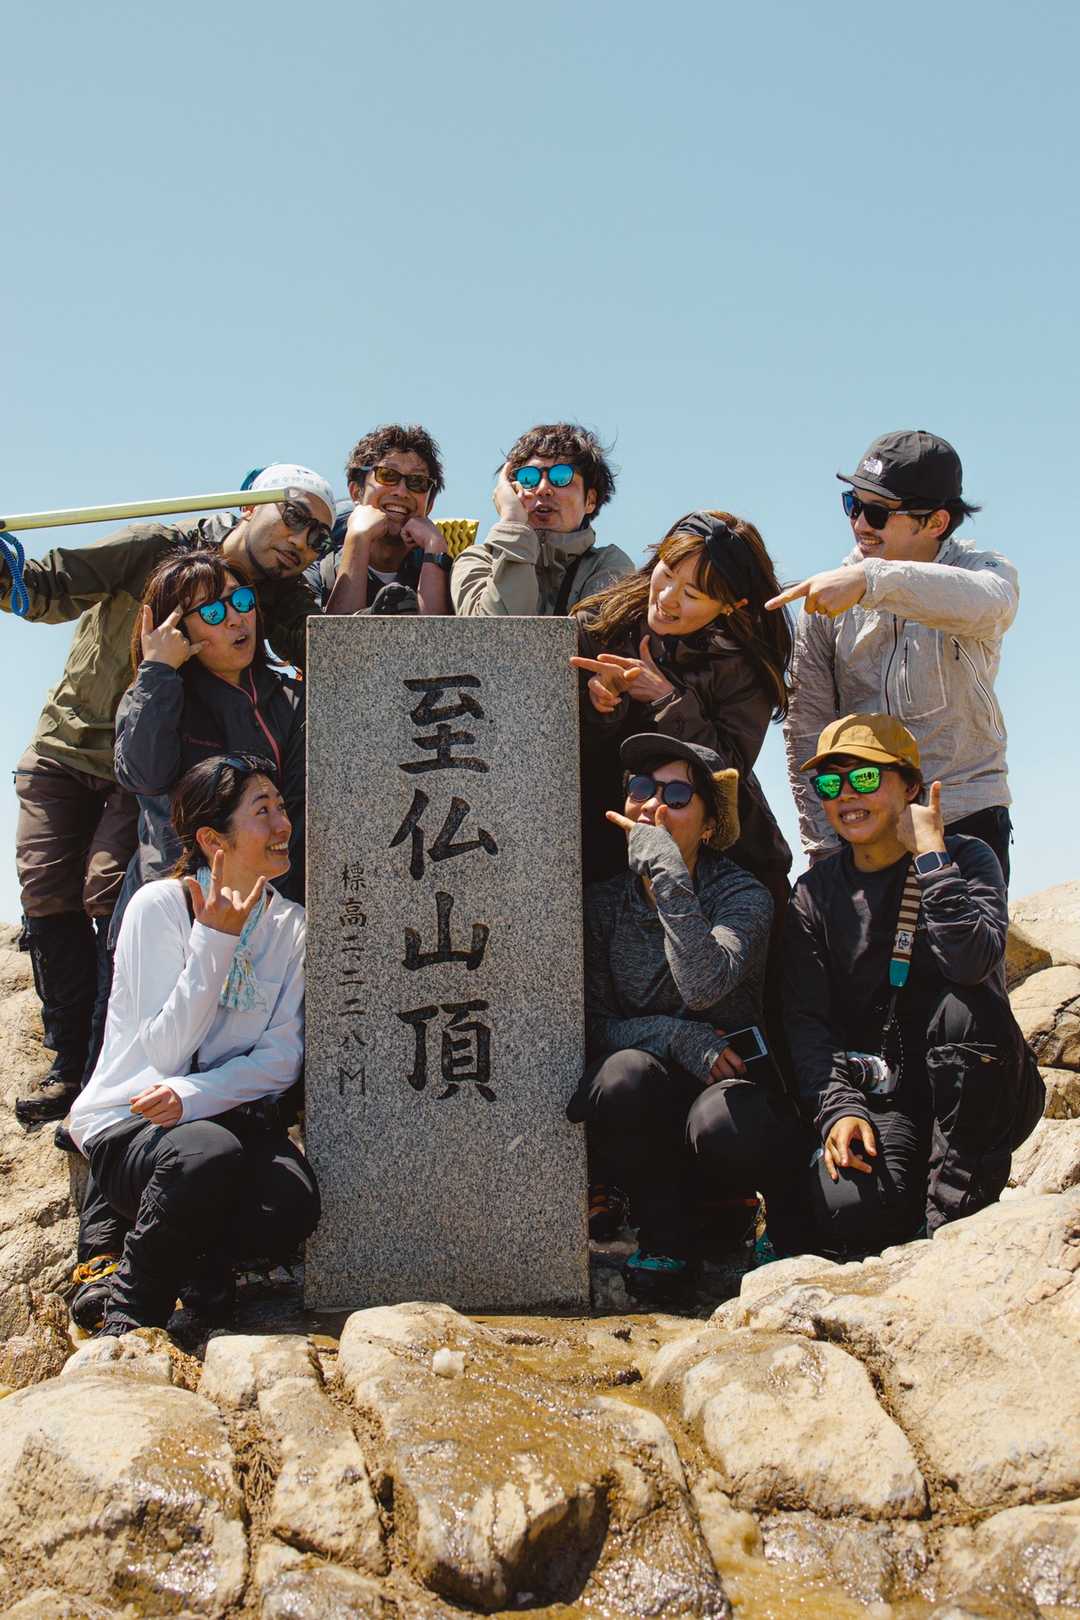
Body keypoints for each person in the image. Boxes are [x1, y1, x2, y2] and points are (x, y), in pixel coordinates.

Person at [6, 463, 335, 1123]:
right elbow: (45, 586)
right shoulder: (158, 550)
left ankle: (116, 1076)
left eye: (319, 538)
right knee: (51, 892)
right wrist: (157, 671)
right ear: (250, 504)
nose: (302, 542)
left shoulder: (281, 609)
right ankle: (75, 1070)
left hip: (176, 795)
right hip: (75, 742)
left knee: (108, 892)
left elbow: (331, 663)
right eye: (295, 516)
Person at [68, 755, 318, 1337]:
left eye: (281, 807)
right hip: (134, 1124)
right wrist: (214, 940)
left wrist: (195, 1094)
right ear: (212, 839)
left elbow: (281, 1058)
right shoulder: (158, 907)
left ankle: (200, 1264)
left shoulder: (290, 925)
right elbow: (165, 1050)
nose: (283, 825)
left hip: (218, 1118)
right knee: (204, 1153)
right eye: (262, 811)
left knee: (292, 1202)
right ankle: (131, 1311)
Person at [783, 713, 1044, 1259]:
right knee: (848, 1209)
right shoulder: (814, 894)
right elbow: (807, 1020)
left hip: (979, 1084)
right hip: (888, 1093)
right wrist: (840, 1109)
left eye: (865, 778)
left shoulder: (967, 858)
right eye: (830, 783)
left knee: (966, 1007)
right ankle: (908, 1214)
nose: (846, 795)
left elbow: (972, 963)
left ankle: (951, 1223)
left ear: (911, 787)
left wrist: (931, 856)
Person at [566, 734, 779, 1304]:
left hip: (726, 1085)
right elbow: (593, 1023)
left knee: (724, 1125)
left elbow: (704, 985)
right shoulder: (603, 904)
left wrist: (666, 874)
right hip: (654, 1082)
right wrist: (678, 1036)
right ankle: (665, 1236)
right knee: (620, 1077)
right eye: (642, 788)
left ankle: (737, 1208)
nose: (653, 806)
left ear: (709, 826)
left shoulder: (743, 895)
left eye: (677, 795)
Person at [770, 430, 1018, 884]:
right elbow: (807, 730)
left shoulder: (982, 572)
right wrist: (823, 845)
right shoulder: (828, 598)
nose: (860, 524)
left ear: (936, 522)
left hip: (966, 817)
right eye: (853, 505)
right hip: (865, 828)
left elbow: (992, 604)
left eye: (878, 512)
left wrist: (871, 581)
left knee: (966, 934)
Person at [569, 508, 793, 902]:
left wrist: (666, 699)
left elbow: (725, 774)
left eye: (692, 594)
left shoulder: (745, 663)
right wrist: (600, 705)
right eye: (668, 572)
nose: (667, 598)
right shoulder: (600, 626)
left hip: (717, 858)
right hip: (601, 845)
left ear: (731, 605)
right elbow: (555, 752)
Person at [114, 550, 306, 911]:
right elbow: (145, 776)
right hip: (178, 905)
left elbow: (299, 812)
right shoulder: (152, 694)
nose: (236, 619)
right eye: (213, 612)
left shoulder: (291, 699)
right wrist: (158, 671)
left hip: (269, 908)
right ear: (177, 630)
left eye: (242, 600)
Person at [451, 422, 634, 616]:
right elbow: (492, 631)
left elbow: (594, 633)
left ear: (590, 500)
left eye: (561, 477)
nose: (543, 489)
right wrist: (513, 522)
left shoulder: (610, 564)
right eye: (529, 478)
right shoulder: (477, 561)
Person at [307, 424, 452, 615]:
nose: (401, 492)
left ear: (430, 504)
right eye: (387, 475)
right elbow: (336, 635)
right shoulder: (315, 574)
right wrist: (358, 540)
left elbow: (438, 634)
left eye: (417, 481)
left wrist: (435, 548)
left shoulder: (450, 578)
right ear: (356, 492)